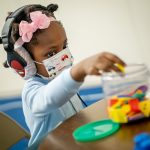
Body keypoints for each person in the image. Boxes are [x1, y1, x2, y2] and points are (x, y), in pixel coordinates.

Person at [1, 3, 126, 149]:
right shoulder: (32, 90)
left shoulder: (61, 79)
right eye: (51, 53)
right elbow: (48, 99)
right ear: (24, 62)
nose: (63, 56)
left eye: (65, 45)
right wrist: (78, 71)